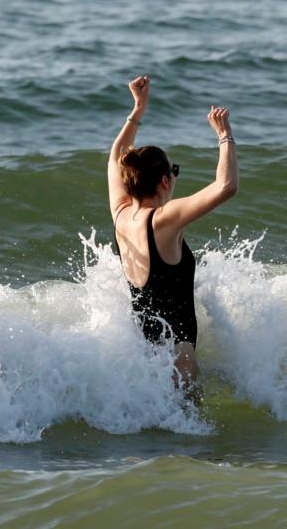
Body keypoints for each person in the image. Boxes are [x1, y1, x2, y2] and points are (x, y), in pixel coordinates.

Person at [108, 75, 238, 397]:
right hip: (180, 363)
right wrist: (225, 137)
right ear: (165, 182)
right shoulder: (162, 221)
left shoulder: (122, 214)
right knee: (192, 445)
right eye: (174, 172)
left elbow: (115, 159)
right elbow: (226, 187)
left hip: (147, 361)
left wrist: (137, 110)